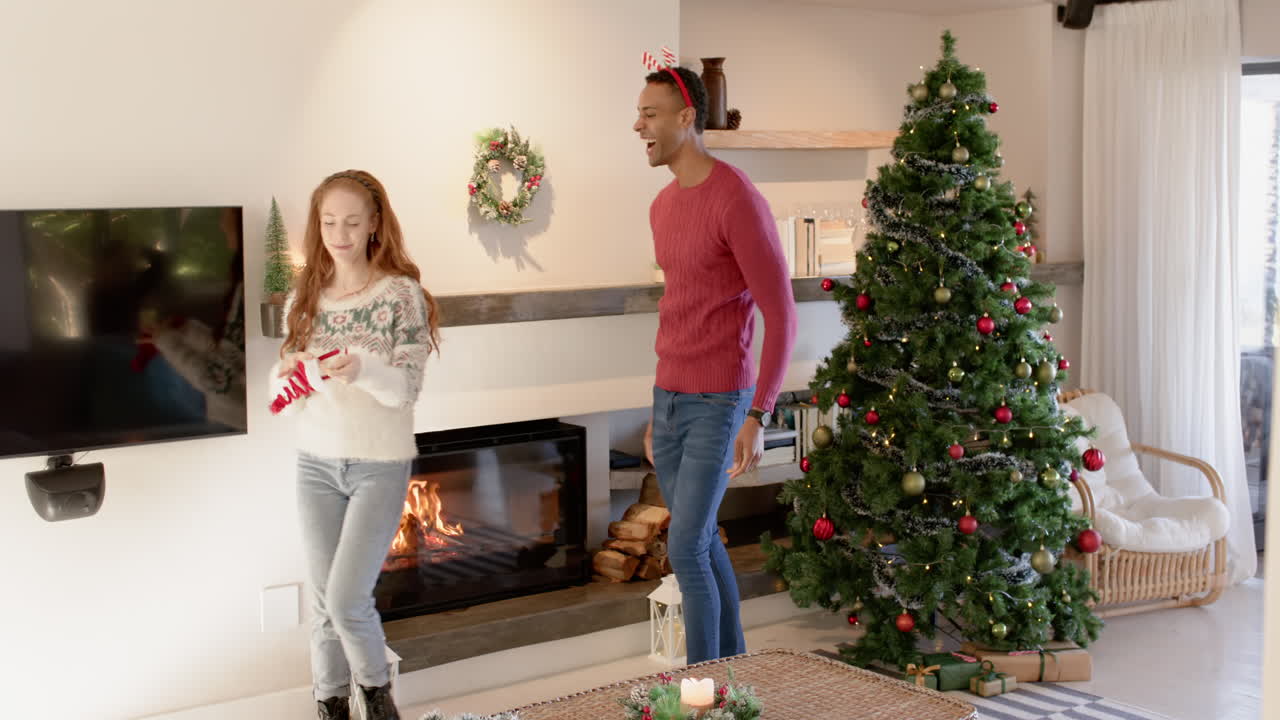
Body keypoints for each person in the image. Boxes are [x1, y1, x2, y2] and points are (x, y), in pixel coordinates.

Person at [634, 66, 797, 663]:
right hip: (670, 398)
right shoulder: (661, 207)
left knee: (685, 548)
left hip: (721, 400)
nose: (639, 125)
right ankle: (732, 673)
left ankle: (699, 691)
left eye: (650, 114)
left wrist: (759, 412)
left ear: (685, 117)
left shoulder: (737, 199)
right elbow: (679, 310)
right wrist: (657, 409)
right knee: (700, 540)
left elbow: (782, 316)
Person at [270, 170, 441, 720]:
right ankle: (330, 706)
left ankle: (378, 699)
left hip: (378, 464)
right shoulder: (306, 298)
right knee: (323, 606)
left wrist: (360, 368)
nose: (338, 234)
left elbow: (405, 390)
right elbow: (288, 397)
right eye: (328, 222)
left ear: (373, 225)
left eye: (351, 221)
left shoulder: (400, 295)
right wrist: (286, 380)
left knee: (346, 601)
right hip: (315, 462)